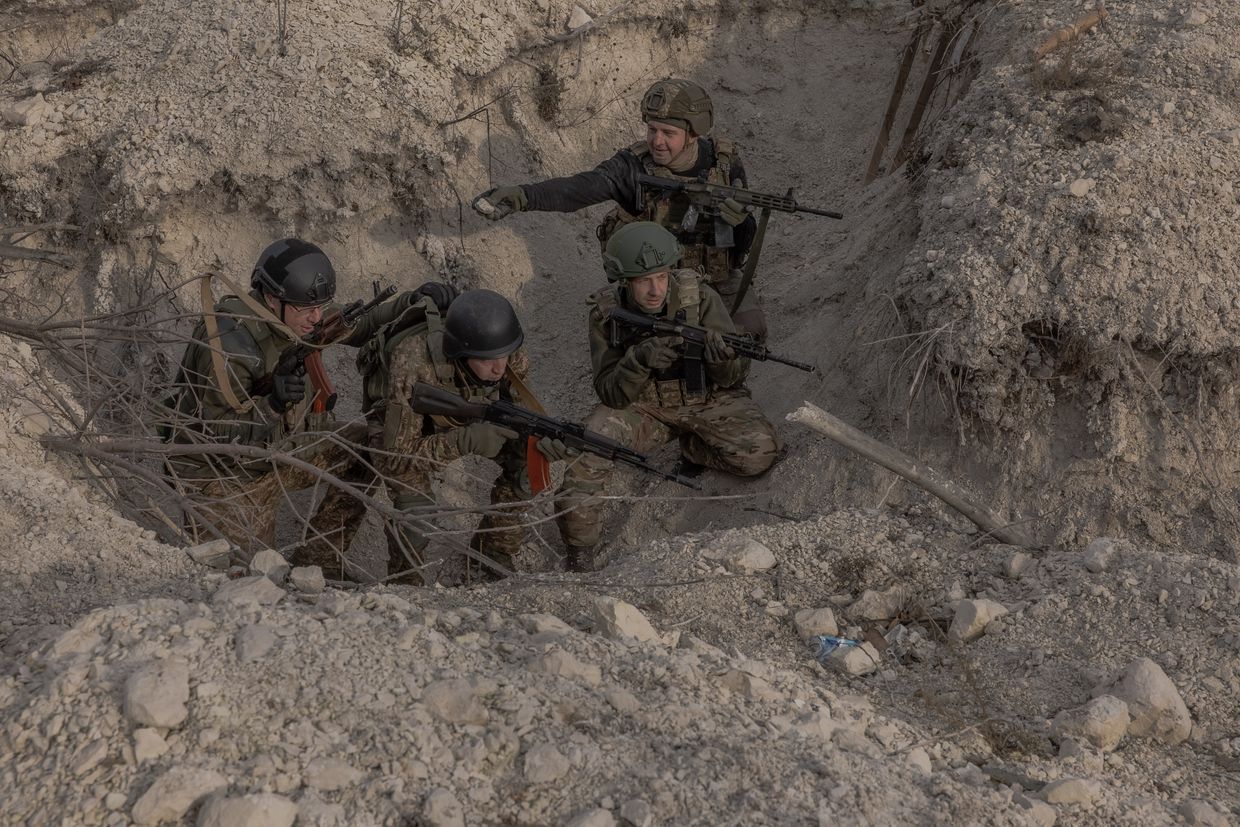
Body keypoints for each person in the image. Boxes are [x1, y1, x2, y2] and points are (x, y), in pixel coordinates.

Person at [163, 237, 438, 578]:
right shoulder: (230, 344)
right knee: (246, 582)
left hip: (280, 450)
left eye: (321, 307)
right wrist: (273, 404)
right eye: (307, 309)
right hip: (223, 477)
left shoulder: (298, 318)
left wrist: (409, 303)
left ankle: (320, 560)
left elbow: (358, 325)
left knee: (369, 448)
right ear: (272, 299)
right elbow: (219, 435)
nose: (316, 318)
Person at [554, 222, 782, 572]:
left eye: (661, 277)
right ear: (624, 280)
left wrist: (723, 360)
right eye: (643, 280)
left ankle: (694, 448)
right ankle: (580, 554)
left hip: (706, 398)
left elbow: (734, 379)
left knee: (760, 453)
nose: (655, 290)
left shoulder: (701, 297)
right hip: (646, 407)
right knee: (589, 453)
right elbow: (610, 393)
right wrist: (638, 360)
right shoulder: (607, 314)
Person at [472, 78, 767, 340]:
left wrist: (740, 221)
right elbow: (580, 188)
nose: (656, 141)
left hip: (716, 276)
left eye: (668, 132)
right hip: (654, 283)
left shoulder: (724, 162)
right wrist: (524, 196)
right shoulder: (632, 168)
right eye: (652, 129)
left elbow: (740, 249)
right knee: (663, 344)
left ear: (693, 134)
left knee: (748, 334)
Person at [353, 288, 570, 583]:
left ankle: (489, 559)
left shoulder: (505, 353)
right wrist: (464, 441)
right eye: (487, 359)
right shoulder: (415, 358)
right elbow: (396, 460)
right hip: (399, 424)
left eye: (504, 355)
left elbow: (522, 416)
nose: (499, 367)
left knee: (526, 469)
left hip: (468, 414)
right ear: (461, 352)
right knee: (416, 514)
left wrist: (544, 444)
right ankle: (404, 586)